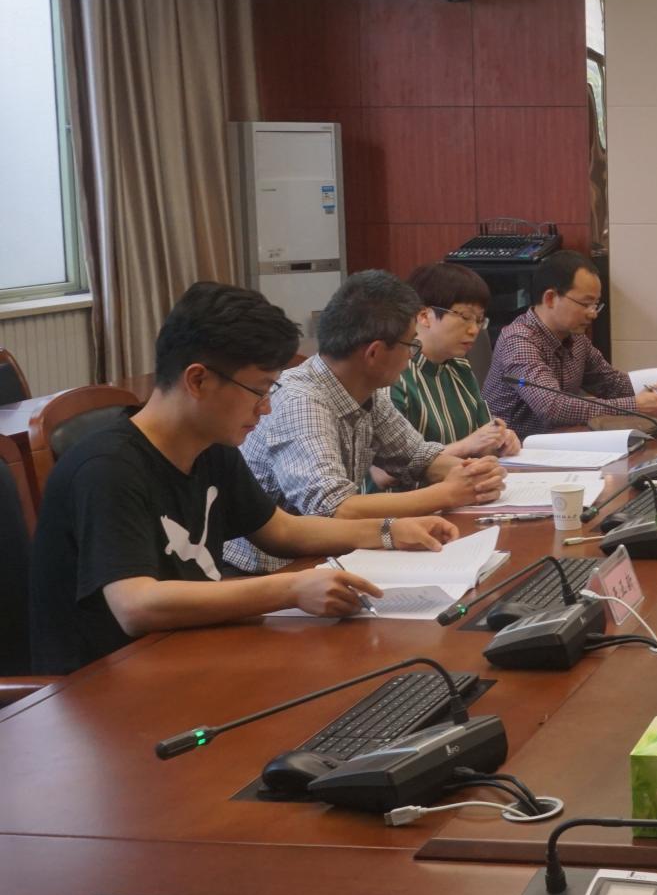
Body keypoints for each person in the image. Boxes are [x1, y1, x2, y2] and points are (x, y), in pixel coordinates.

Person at [28, 283, 457, 675]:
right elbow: (137, 605)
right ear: (198, 380)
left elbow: (282, 530)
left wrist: (388, 532)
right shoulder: (107, 467)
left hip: (188, 651)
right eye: (259, 390)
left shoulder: (210, 447)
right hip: (105, 684)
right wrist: (291, 589)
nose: (266, 408)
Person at [227, 271, 506, 573]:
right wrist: (447, 493)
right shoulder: (301, 401)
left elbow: (418, 456)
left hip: (330, 558)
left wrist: (474, 474)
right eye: (410, 346)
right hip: (268, 572)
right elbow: (334, 510)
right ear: (374, 353)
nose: (411, 357)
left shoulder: (366, 389)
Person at [482, 250, 657, 435]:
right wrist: (635, 405)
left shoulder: (576, 338)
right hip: (513, 451)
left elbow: (611, 384)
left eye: (595, 305)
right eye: (585, 304)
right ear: (550, 298)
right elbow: (553, 408)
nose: (593, 313)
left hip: (561, 442)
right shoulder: (519, 340)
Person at [390, 262, 521, 457]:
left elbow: (482, 437)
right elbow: (394, 464)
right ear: (424, 316)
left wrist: (500, 441)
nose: (474, 330)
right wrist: (467, 445)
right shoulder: (393, 373)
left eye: (479, 320)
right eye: (465, 317)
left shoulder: (460, 368)